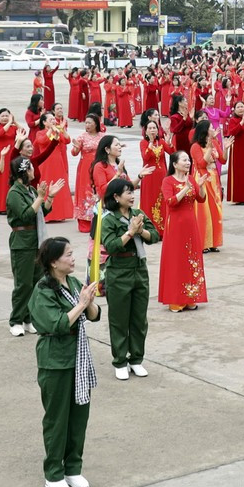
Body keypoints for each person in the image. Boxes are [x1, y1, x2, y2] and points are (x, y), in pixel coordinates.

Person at [30, 235, 101, 487]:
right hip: (55, 360)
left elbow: (93, 316)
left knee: (78, 416)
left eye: (72, 253)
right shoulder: (42, 290)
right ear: (52, 262)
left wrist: (89, 302)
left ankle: (73, 468)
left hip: (79, 356)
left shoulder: (72, 282)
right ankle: (54, 473)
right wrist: (81, 305)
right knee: (57, 419)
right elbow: (57, 324)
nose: (73, 258)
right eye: (68, 255)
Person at [96, 177, 160, 379]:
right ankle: (120, 361)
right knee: (119, 319)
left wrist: (142, 231)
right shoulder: (108, 220)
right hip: (118, 272)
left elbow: (156, 236)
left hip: (139, 270)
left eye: (133, 192)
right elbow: (111, 246)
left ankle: (136, 359)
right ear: (116, 197)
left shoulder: (138, 214)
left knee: (139, 319)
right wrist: (130, 233)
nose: (132, 196)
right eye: (128, 192)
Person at [7, 157, 61, 336]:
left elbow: (41, 211)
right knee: (23, 284)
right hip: (22, 242)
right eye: (30, 168)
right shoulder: (14, 192)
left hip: (36, 240)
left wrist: (49, 197)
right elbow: (25, 214)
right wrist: (39, 197)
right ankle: (15, 320)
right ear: (23, 171)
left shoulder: (29, 189)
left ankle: (28, 318)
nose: (33, 171)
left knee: (36, 282)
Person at [158, 151, 207, 311]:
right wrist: (185, 189)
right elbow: (170, 202)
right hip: (176, 226)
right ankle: (176, 299)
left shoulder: (191, 178)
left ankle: (190, 296)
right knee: (176, 260)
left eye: (188, 160)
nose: (188, 162)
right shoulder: (168, 181)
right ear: (174, 164)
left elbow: (201, 199)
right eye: (184, 160)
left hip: (190, 224)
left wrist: (200, 186)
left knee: (191, 259)